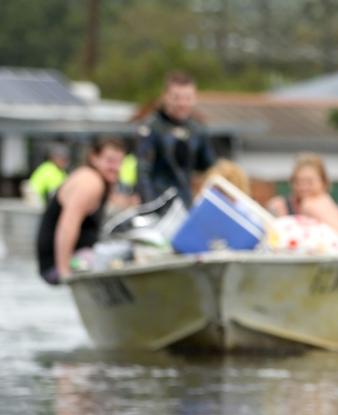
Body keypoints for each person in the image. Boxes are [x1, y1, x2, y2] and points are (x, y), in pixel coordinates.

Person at [35, 136, 126, 284]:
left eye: (119, 162)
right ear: (94, 158)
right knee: (124, 256)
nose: (116, 167)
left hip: (75, 256)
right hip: (60, 264)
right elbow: (67, 225)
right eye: (110, 161)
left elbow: (118, 201)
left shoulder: (99, 179)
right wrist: (64, 272)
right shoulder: (90, 182)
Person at [266, 153, 338, 259]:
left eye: (309, 182)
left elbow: (337, 228)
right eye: (298, 182)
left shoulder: (313, 203)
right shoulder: (284, 203)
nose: (302, 187)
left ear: (323, 182)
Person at [136, 71, 217, 207]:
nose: (182, 103)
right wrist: (150, 207)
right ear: (166, 97)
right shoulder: (151, 128)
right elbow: (143, 171)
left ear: (194, 98)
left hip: (186, 203)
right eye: (177, 97)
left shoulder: (197, 129)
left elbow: (210, 166)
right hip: (159, 203)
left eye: (187, 98)